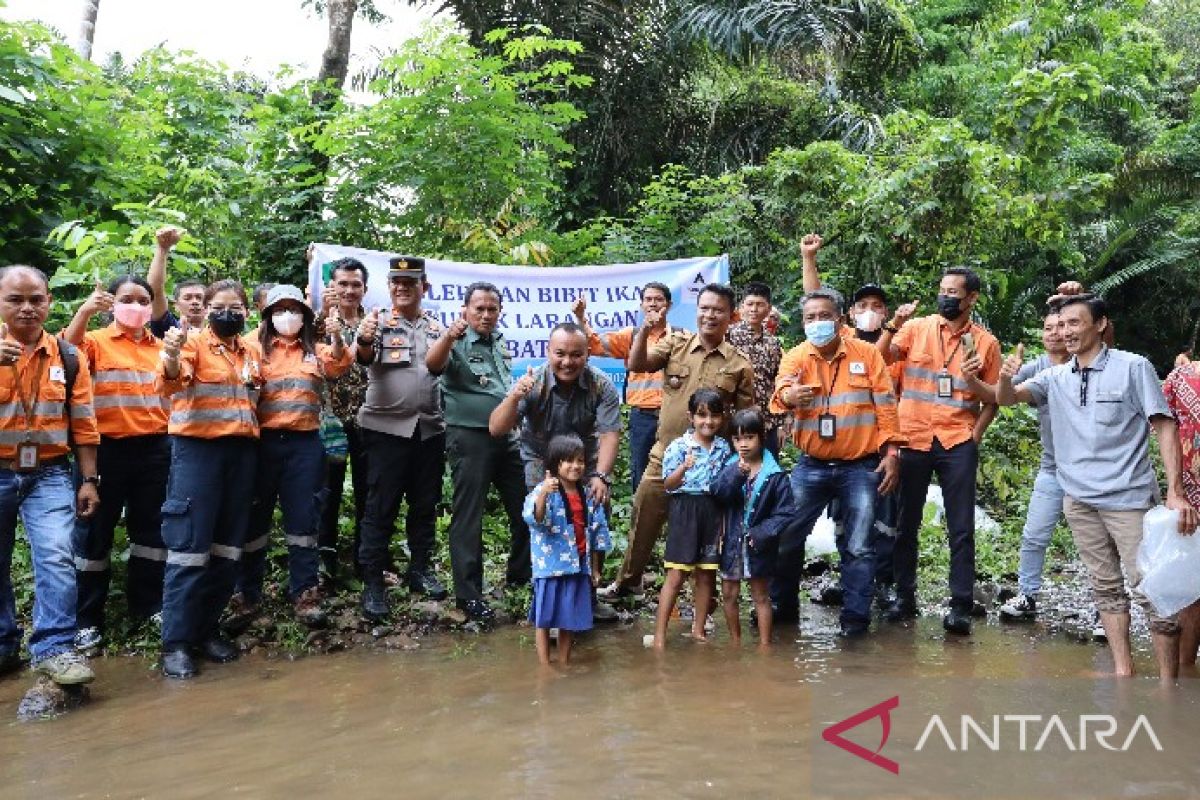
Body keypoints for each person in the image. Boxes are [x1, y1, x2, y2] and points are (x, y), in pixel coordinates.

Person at [996, 294, 1198, 680]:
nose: (1067, 332)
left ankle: (1170, 687)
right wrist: (1005, 377)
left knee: (1149, 588)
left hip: (1129, 500)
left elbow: (1164, 425)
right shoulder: (1055, 376)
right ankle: (1124, 671)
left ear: (1100, 324)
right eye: (1062, 324)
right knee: (1104, 586)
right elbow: (1009, 399)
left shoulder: (1133, 367)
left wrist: (1175, 491)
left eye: (1075, 323)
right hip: (1080, 501)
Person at [602, 284, 754, 601]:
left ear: (731, 316)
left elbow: (745, 418)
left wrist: (746, 464)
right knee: (643, 516)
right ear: (697, 311)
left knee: (707, 533)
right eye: (705, 308)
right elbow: (637, 364)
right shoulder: (675, 344)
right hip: (665, 456)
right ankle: (628, 582)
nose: (710, 315)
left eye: (718, 310)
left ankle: (702, 601)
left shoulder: (739, 364)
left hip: (711, 466)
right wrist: (644, 329)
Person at [770, 289, 903, 637]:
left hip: (860, 465)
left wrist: (891, 454)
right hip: (811, 465)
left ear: (841, 319)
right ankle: (781, 610)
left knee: (859, 546)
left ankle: (855, 622)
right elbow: (779, 395)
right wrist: (788, 396)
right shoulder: (796, 357)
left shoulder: (868, 354)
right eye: (810, 318)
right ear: (802, 323)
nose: (817, 323)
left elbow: (887, 407)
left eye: (824, 316)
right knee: (785, 536)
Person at [878, 266, 1000, 635]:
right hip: (912, 436)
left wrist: (974, 434)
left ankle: (960, 604)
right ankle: (905, 597)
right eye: (942, 290)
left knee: (961, 527)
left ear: (971, 298)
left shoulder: (985, 343)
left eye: (953, 292)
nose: (945, 297)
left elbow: (994, 399)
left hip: (956, 440)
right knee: (905, 523)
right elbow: (879, 360)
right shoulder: (917, 328)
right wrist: (891, 325)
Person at [799, 231, 916, 610]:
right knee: (846, 522)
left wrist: (893, 449)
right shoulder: (839, 335)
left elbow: (883, 378)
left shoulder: (898, 343)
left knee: (884, 520)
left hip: (879, 448)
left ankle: (882, 585)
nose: (870, 309)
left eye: (876, 305)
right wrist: (809, 259)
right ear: (847, 314)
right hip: (838, 451)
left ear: (885, 311)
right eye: (862, 304)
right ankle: (854, 584)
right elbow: (816, 301)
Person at [0, 266, 101, 689]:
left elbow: (83, 421)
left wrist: (90, 479)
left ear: (49, 302)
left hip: (50, 472)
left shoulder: (68, 355)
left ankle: (55, 648)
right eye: (15, 300)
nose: (27, 308)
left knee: (57, 554)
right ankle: (4, 645)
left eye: (36, 299)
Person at [156, 279, 261, 679]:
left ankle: (207, 630)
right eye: (220, 306)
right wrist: (168, 354)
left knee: (227, 546)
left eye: (235, 307)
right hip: (198, 453)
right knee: (188, 546)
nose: (227, 313)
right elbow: (170, 380)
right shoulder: (191, 343)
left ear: (246, 312)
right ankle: (177, 642)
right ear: (207, 309)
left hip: (241, 454)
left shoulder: (251, 350)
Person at [63, 274, 171, 653]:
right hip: (103, 452)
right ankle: (87, 620)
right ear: (112, 302)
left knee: (151, 534)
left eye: (144, 300)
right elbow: (64, 352)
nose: (137, 306)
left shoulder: (162, 347)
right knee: (93, 535)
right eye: (128, 299)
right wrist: (85, 310)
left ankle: (148, 606)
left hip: (154, 450)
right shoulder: (95, 342)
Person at [232, 285, 351, 628]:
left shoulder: (314, 349)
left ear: (305, 315)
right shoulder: (251, 347)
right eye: (280, 309)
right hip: (261, 443)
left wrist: (339, 337)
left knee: (304, 519)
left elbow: (339, 365)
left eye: (294, 309)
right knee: (255, 520)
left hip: (304, 444)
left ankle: (305, 593)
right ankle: (246, 594)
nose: (288, 315)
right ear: (268, 315)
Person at [489, 322, 621, 621]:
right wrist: (513, 397)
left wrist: (601, 476)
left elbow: (610, 433)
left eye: (576, 355)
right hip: (541, 460)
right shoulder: (531, 382)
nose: (567, 362)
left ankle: (587, 593)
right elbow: (496, 428)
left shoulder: (602, 385)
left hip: (581, 462)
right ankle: (544, 600)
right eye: (560, 354)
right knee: (548, 520)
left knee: (594, 516)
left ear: (587, 354)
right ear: (548, 352)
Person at [427, 282, 530, 623]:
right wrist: (448, 338)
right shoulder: (454, 341)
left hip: (507, 437)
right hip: (469, 438)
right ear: (465, 310)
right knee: (469, 516)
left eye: (492, 309)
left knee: (526, 506)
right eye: (479, 309)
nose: (486, 315)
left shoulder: (498, 343)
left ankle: (520, 576)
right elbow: (433, 364)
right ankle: (469, 596)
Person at [354, 256, 448, 620]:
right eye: (397, 282)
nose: (402, 288)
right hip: (385, 430)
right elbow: (362, 355)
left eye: (411, 283)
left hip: (429, 429)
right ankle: (373, 583)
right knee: (381, 508)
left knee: (425, 504)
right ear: (390, 287)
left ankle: (420, 570)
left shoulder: (436, 327)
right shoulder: (377, 322)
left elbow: (441, 370)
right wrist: (363, 340)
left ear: (424, 288)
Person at [997, 310, 1070, 621]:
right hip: (1052, 467)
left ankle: (1103, 610)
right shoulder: (1037, 368)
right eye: (1047, 327)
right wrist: (1003, 375)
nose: (1053, 333)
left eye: (1061, 327)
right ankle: (1027, 595)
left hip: (1092, 469)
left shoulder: (1089, 364)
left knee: (1096, 544)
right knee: (1034, 534)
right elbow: (1003, 396)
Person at [572, 283, 674, 493]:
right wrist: (581, 318)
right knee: (641, 474)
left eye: (659, 299)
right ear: (641, 305)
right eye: (648, 299)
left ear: (669, 305)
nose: (653, 304)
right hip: (643, 417)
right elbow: (594, 344)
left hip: (672, 416)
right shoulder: (631, 336)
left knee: (676, 470)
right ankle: (641, 523)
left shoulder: (680, 337)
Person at [651, 388, 732, 647]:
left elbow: (726, 484)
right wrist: (683, 468)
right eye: (701, 415)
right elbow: (668, 485)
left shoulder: (723, 448)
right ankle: (660, 635)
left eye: (714, 416)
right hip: (685, 509)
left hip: (712, 510)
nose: (708, 421)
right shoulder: (679, 447)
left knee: (706, 574)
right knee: (676, 575)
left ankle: (699, 629)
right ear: (691, 417)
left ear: (722, 417)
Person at [523, 434, 612, 665]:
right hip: (550, 568)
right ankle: (544, 666)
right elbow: (536, 519)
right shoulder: (545, 491)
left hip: (577, 566)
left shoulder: (588, 495)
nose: (576, 466)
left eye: (580, 460)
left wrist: (595, 569)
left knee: (568, 620)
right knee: (544, 621)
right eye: (569, 461)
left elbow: (597, 533)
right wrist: (543, 493)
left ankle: (564, 662)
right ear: (555, 464)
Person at [712, 408, 794, 647]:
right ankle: (735, 642)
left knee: (760, 596)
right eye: (737, 439)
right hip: (731, 542)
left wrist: (761, 533)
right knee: (729, 594)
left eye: (749, 437)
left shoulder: (775, 475)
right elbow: (718, 494)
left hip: (758, 545)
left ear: (761, 437)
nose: (743, 444)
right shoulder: (729, 466)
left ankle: (764, 646)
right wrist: (737, 475)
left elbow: (786, 512)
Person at [315, 257, 371, 584]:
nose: (349, 290)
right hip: (329, 421)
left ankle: (367, 559)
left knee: (369, 490)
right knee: (327, 491)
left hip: (368, 420)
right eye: (343, 284)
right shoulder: (316, 323)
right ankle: (325, 561)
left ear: (364, 289)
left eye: (356, 284)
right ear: (332, 287)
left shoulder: (374, 323)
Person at [1163, 357, 1200, 666]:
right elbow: (1163, 427)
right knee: (1192, 584)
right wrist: (1174, 490)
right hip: (1191, 496)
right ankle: (1186, 671)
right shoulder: (1181, 377)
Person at [726, 282, 785, 454]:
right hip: (736, 423)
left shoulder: (773, 343)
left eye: (760, 305)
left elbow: (779, 381)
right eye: (750, 304)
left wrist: (782, 423)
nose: (754, 309)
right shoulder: (728, 337)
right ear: (741, 307)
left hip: (768, 423)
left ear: (768, 309)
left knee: (768, 474)